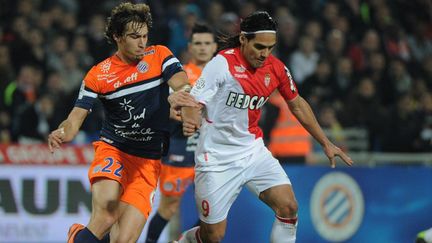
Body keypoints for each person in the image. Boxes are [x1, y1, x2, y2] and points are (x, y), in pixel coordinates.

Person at [172, 11, 353, 243]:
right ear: (243, 40)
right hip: (216, 158)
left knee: (288, 207)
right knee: (213, 236)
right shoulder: (221, 64)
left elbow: (297, 104)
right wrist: (190, 118)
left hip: (253, 151)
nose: (265, 54)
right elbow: (192, 101)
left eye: (270, 47)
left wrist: (325, 143)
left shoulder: (276, 68)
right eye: (259, 47)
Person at [47, 3, 197, 243]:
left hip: (148, 162)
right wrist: (63, 131)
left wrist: (183, 95)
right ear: (117, 37)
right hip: (114, 150)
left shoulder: (159, 54)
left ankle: (80, 237)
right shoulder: (99, 74)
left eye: (145, 36)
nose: (142, 43)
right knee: (106, 213)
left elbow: (180, 80)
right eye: (134, 37)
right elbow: (75, 117)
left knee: (123, 240)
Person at [145, 23, 217, 243]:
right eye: (198, 43)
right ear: (190, 47)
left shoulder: (224, 76)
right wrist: (176, 113)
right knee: (169, 207)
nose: (203, 48)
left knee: (214, 210)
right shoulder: (179, 76)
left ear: (214, 47)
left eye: (207, 43)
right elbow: (160, 109)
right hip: (179, 149)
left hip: (212, 150)